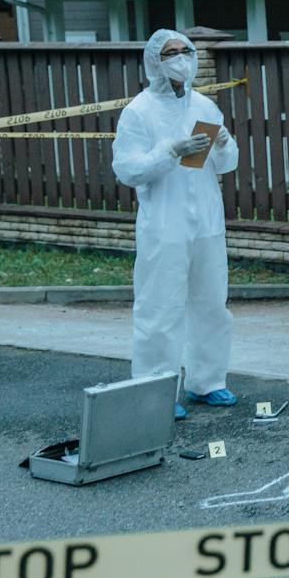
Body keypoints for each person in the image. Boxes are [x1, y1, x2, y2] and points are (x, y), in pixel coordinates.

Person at [112, 30, 240, 421]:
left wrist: (224, 144)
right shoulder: (139, 111)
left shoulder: (204, 106)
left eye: (186, 50)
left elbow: (225, 165)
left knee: (211, 304)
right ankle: (156, 390)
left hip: (206, 223)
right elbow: (128, 169)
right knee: (160, 309)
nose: (181, 58)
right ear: (154, 60)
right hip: (164, 225)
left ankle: (207, 381)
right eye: (171, 53)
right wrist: (170, 151)